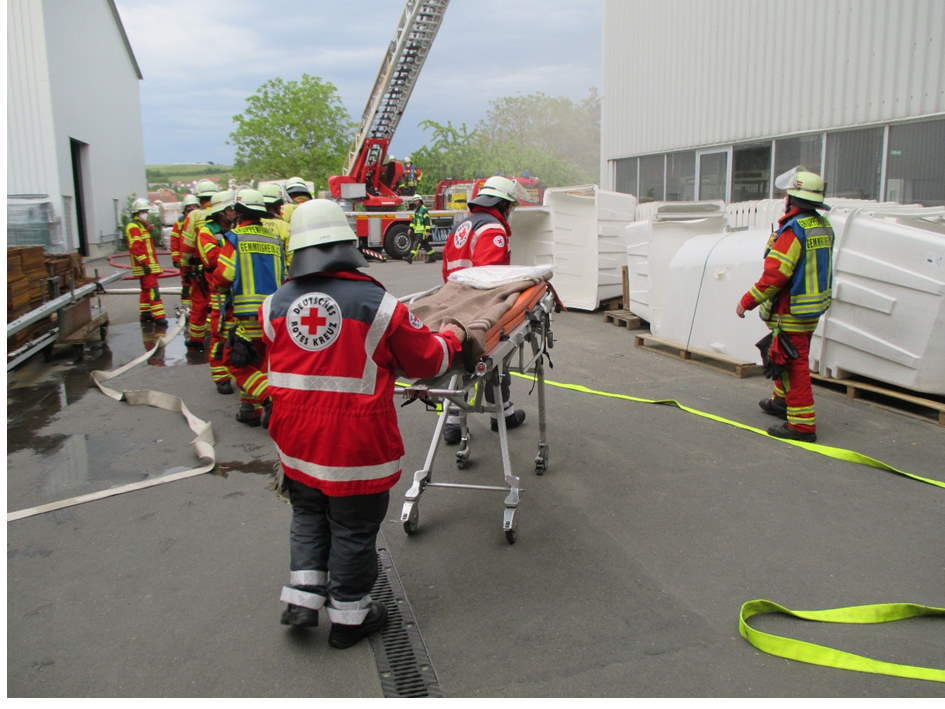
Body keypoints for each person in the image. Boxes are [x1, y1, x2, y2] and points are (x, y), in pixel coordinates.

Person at [261, 199, 465, 647]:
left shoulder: (273, 303)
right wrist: (456, 335)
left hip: (294, 440)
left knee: (308, 516)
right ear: (345, 244)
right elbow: (427, 360)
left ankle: (302, 598)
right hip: (353, 444)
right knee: (353, 528)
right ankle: (351, 617)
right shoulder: (378, 303)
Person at [736, 166, 834, 443]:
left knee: (792, 364)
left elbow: (775, 275)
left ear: (793, 200)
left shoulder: (793, 232)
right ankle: (781, 402)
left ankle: (802, 425)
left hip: (790, 310)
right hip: (810, 307)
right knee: (784, 354)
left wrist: (747, 301)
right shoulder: (822, 227)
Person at [440, 175, 528, 444]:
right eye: (510, 207)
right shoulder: (493, 230)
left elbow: (447, 270)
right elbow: (492, 277)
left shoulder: (462, 226)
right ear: (502, 205)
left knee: (459, 355)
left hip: (454, 300)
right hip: (478, 306)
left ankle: (454, 420)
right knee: (495, 355)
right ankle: (502, 413)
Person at [211, 188, 286, 426]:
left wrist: (216, 283)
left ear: (239, 212)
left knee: (235, 362)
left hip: (242, 316)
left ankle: (269, 398)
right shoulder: (273, 240)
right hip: (270, 314)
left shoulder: (235, 238)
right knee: (257, 362)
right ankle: (249, 411)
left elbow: (224, 275)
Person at [198, 190, 238, 395]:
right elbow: (211, 260)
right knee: (219, 335)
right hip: (219, 293)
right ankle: (221, 377)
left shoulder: (236, 230)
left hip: (238, 290)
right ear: (221, 212)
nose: (233, 212)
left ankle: (239, 371)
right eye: (230, 209)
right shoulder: (206, 232)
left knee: (238, 334)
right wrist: (234, 253)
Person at [181, 179, 219, 348]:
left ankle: (196, 340)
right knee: (218, 303)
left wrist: (185, 267)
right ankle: (218, 336)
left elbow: (187, 245)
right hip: (220, 266)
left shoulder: (194, 216)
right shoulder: (222, 213)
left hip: (199, 268)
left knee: (200, 303)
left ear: (200, 198)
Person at [126, 197, 168, 327]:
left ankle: (146, 314)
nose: (146, 213)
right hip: (146, 266)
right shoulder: (134, 226)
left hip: (147, 265)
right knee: (153, 290)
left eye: (146, 211)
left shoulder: (141, 226)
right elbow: (136, 247)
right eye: (143, 211)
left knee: (145, 290)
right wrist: (145, 263)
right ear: (136, 213)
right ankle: (159, 317)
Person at [170, 194, 200, 311]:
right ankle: (187, 308)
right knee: (187, 283)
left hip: (199, 258)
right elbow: (174, 241)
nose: (192, 211)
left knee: (200, 283)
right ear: (184, 211)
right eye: (189, 209)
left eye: (194, 208)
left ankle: (199, 307)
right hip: (185, 259)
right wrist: (176, 258)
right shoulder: (180, 224)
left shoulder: (201, 221)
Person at [260, 182, 293, 269]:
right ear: (278, 205)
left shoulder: (250, 225)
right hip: (281, 279)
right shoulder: (285, 227)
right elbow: (291, 260)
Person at [405, 196, 433, 264]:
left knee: (416, 244)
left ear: (420, 200)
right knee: (425, 245)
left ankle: (410, 257)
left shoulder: (423, 209)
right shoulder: (416, 209)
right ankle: (432, 256)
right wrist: (410, 228)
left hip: (422, 231)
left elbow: (427, 220)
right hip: (417, 230)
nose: (415, 202)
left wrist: (428, 231)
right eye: (414, 201)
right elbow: (413, 220)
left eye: (416, 201)